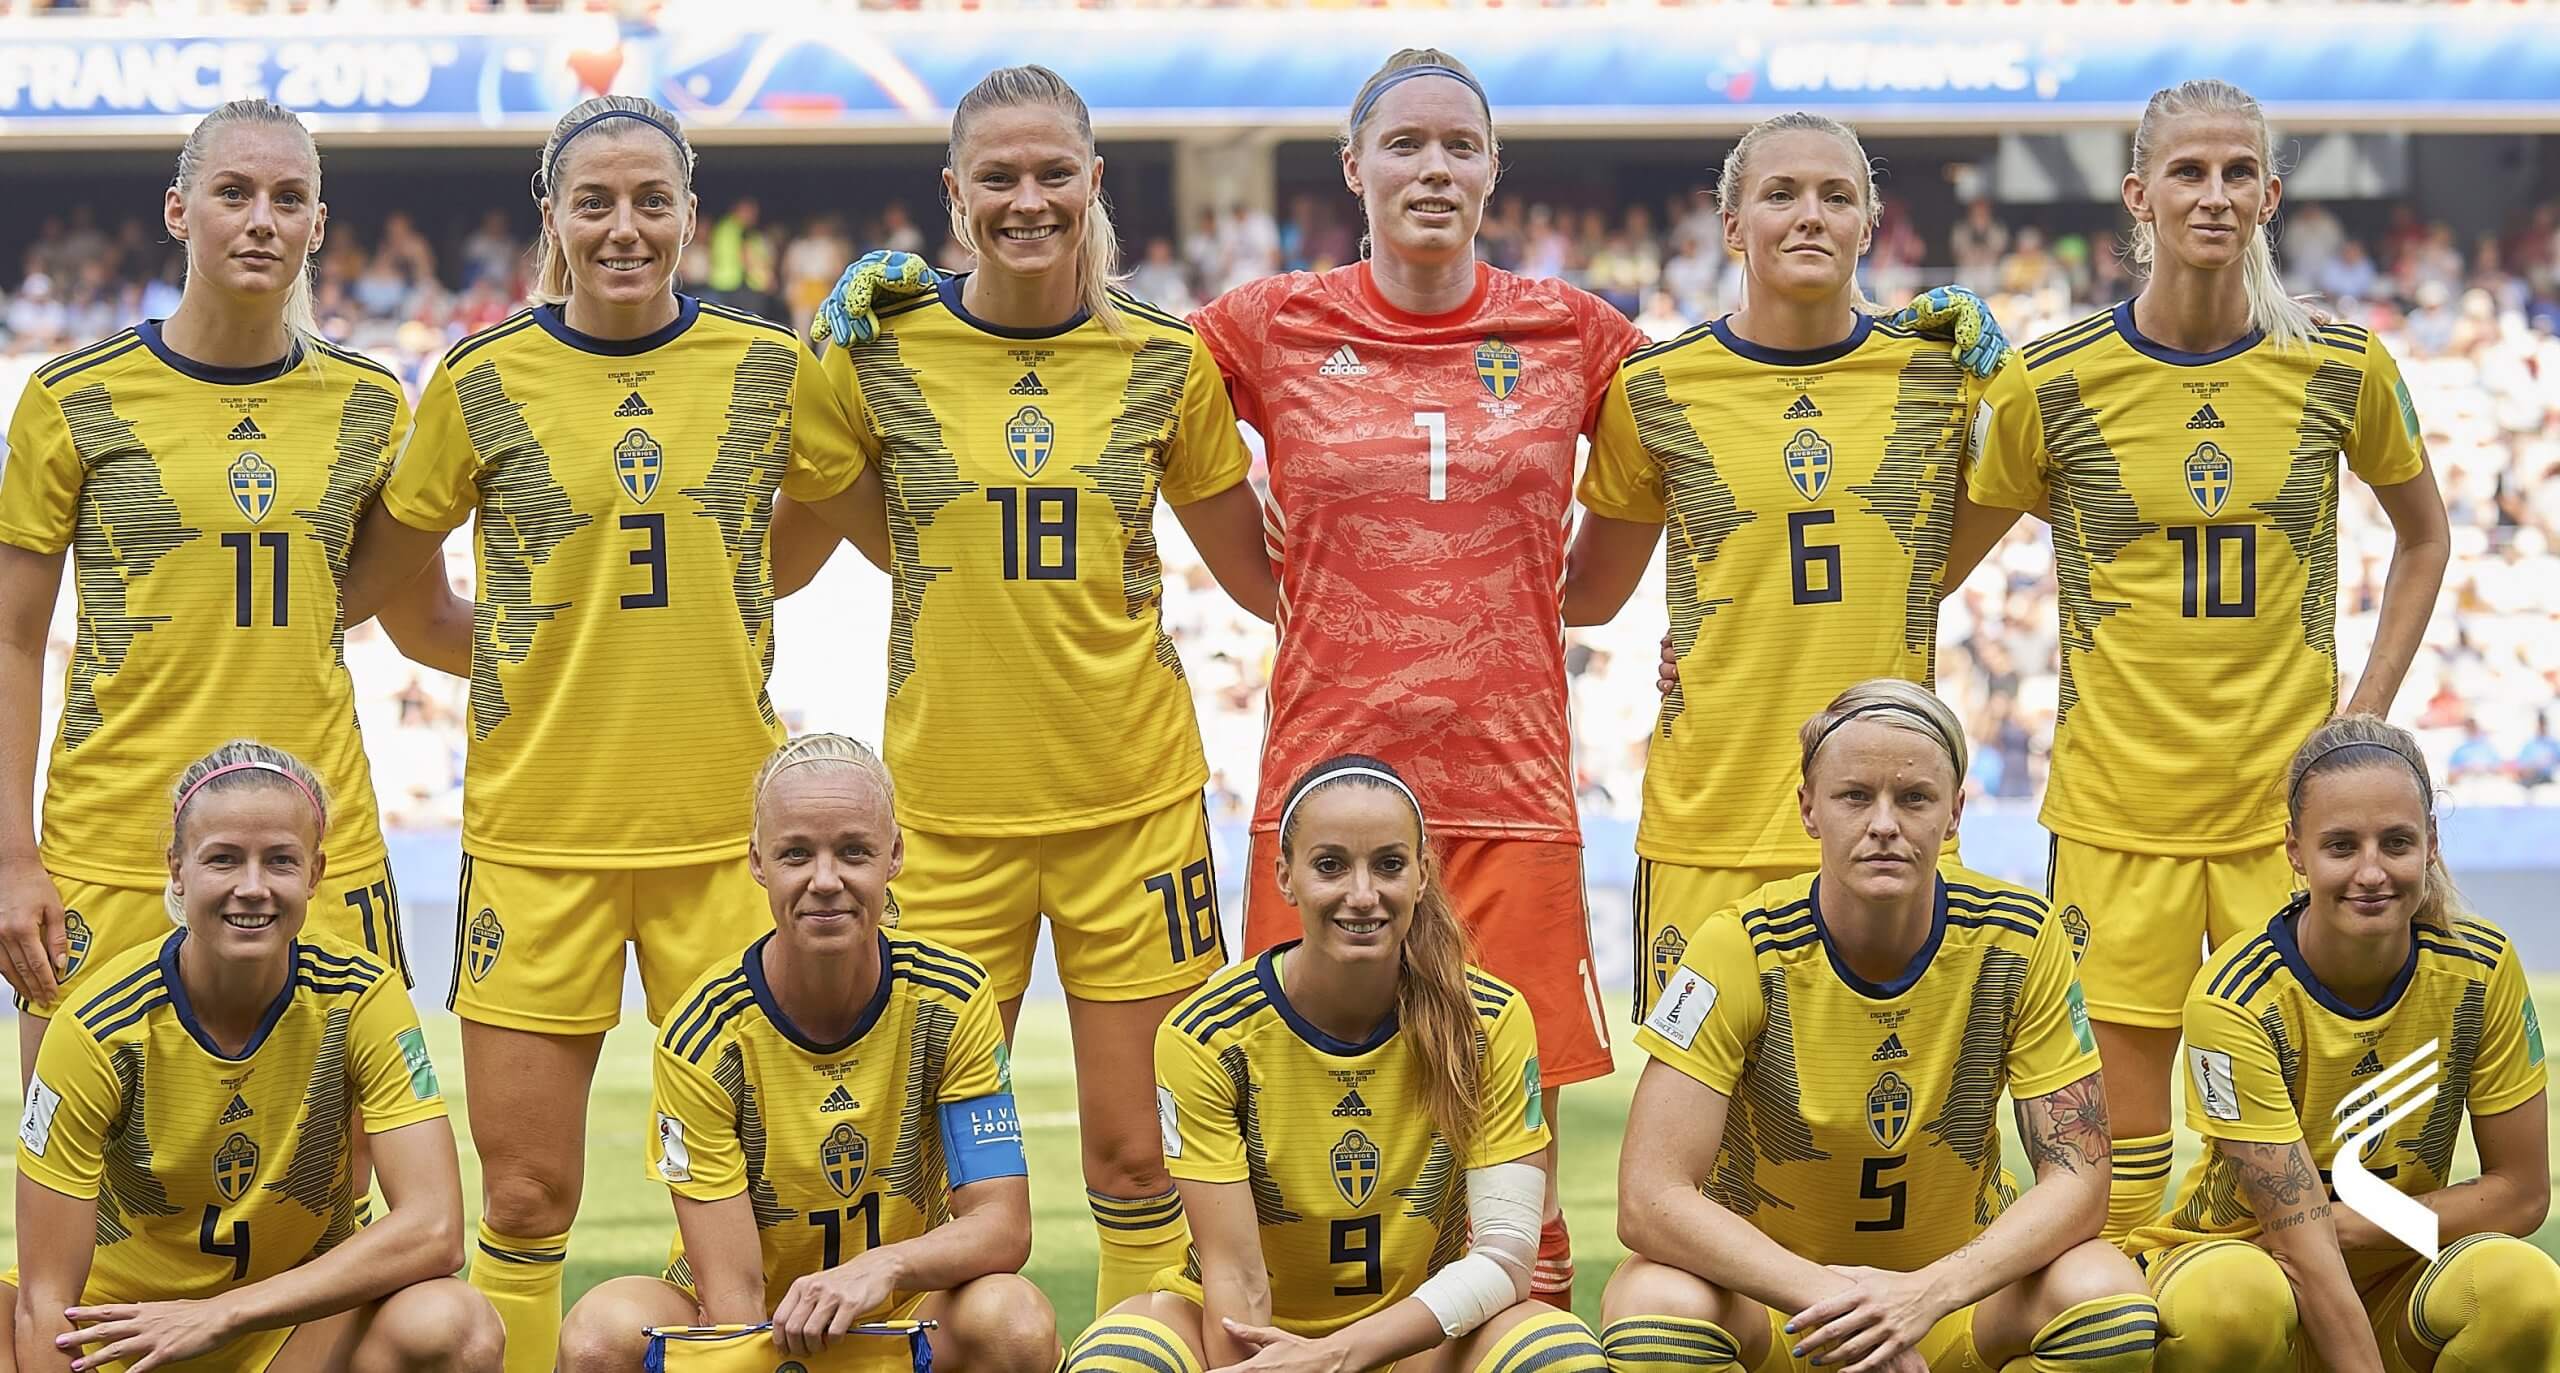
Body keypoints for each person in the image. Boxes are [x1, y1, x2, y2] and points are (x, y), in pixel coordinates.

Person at [1190, 66, 2010, 1306]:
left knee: (1518, 1164)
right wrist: (944, 297)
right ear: (1353, 168)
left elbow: (1759, 398)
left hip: (1512, 793)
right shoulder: (1262, 322)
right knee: (1283, 1134)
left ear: (1491, 170)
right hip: (1323, 792)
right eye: (1403, 144)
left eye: (1459, 145)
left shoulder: (1583, 335)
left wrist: (1910, 329)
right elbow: (1108, 366)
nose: (1432, 169)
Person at [339, 95, 843, 1373]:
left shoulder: (767, 364)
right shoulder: (483, 375)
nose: (625, 228)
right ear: (551, 217)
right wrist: (535, 645)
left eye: (651, 201)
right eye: (595, 203)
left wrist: (722, 593)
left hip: (724, 845)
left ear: (689, 208)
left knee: (768, 1197)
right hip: (538, 838)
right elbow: (396, 593)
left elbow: (820, 524)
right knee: (520, 1195)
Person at [789, 65, 1276, 1313]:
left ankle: (1133, 1348)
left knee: (1138, 1155)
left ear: (1094, 184)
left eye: (1053, 172)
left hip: (1133, 806)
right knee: (915, 1168)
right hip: (946, 822)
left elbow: (1266, 574)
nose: (1027, 199)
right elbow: (818, 541)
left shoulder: (1165, 358)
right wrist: (804, 354)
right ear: (953, 195)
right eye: (996, 176)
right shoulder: (875, 348)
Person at [1963, 78, 2453, 1244]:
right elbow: (1922, 566)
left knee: (2305, 1192)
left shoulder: (2341, 361)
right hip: (2114, 818)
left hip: (2283, 825)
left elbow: (2425, 534)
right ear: (2138, 194)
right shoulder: (2054, 377)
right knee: (2116, 1195)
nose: (2215, 193)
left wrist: (2362, 722)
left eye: (2239, 172)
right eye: (2188, 171)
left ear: (2271, 195)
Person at [0, 99, 462, 1082]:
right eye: (234, 192)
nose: (262, 218)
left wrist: (616, 637)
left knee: (344, 1182)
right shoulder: (72, 396)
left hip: (314, 840)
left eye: (289, 198)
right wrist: (11, 858)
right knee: (77, 1188)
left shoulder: (371, 401)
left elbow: (422, 618)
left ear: (318, 226)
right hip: (114, 841)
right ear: (178, 210)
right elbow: (11, 637)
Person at [1569, 112, 2013, 1033]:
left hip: (1892, 823)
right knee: (1700, 1136)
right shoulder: (1655, 387)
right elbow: (1588, 592)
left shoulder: (1941, 373)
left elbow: (1937, 564)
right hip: (1711, 822)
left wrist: (2009, 389)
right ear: (1732, 225)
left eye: (1835, 196)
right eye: (1780, 194)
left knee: (1902, 1127)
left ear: (1869, 223)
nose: (1809, 215)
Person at [1604, 680, 2158, 1373]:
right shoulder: (1736, 945)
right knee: (1655, 1311)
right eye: (1855, 795)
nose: (1884, 823)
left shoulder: (2020, 937)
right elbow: (1650, 1197)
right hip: (1780, 1311)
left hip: (1954, 1309)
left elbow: (2080, 1179)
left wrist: (1928, 1292)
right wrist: (1851, 1302)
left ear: (1955, 813)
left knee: (2107, 1302)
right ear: (1809, 808)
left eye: (1915, 797)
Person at [1062, 755, 1607, 1373]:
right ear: (1284, 877)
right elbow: (1237, 1281)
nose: (1362, 895)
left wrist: (1342, 1354)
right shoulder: (1205, 1034)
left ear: (1423, 875)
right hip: (1245, 1334)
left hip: (1417, 1338)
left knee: (1556, 1352)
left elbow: (1506, 1260)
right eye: (1330, 866)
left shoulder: (1491, 1018)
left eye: (1390, 865)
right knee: (1115, 1359)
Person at [555, 734, 1057, 1373]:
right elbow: (732, 1300)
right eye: (796, 854)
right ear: (758, 862)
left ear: (894, 855)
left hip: (905, 1320)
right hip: (747, 1331)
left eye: (853, 851)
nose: (826, 881)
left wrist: (881, 1268)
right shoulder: (702, 1036)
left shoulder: (952, 998)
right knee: (599, 1335)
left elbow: (1003, 1225)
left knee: (1013, 1320)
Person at [5, 742, 501, 1373]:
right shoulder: (95, 1030)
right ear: (177, 871)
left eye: (281, 861)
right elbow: (47, 1299)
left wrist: (223, 1313)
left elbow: (434, 1230)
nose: (253, 887)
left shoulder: (361, 998)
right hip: (120, 1330)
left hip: (289, 1325)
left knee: (457, 1325)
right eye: (223, 860)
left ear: (316, 874)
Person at [2133, 716, 2559, 1373]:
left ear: (2431, 844)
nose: (2371, 871)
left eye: (2395, 842)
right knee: (2230, 1307)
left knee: (2524, 1290)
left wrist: (2364, 1223)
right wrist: (2330, 1230)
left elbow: (2523, 1193)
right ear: (2295, 851)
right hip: (2251, 1267)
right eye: (2340, 845)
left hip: (2393, 1280)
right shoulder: (2233, 998)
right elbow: (2302, 1249)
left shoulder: (2482, 966)